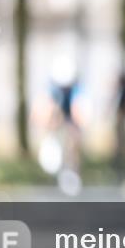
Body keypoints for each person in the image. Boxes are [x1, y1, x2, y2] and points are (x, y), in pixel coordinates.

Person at [32, 54, 86, 195]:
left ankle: (72, 170)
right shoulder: (51, 89)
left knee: (73, 137)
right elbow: (41, 112)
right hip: (55, 121)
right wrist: (51, 125)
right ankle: (55, 166)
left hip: (70, 120)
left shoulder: (76, 88)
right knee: (54, 128)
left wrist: (75, 126)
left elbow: (78, 112)